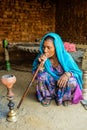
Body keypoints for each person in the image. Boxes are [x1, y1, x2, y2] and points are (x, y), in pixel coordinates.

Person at [32, 32, 83, 107]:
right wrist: (41, 65)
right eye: (44, 47)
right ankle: (47, 96)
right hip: (50, 85)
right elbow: (35, 75)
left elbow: (77, 72)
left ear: (57, 47)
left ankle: (66, 98)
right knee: (41, 76)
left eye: (49, 47)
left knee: (72, 81)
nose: (45, 50)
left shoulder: (65, 57)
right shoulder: (41, 57)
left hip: (63, 85)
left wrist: (68, 74)